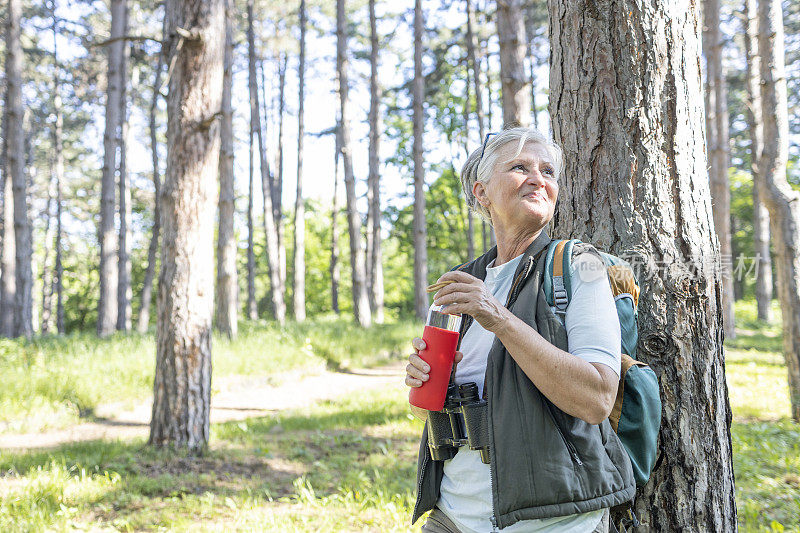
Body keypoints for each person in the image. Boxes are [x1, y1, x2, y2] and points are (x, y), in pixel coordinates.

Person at [405, 127, 635, 532]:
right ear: (482, 193)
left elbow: (597, 399)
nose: (538, 178)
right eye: (519, 167)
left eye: (548, 170)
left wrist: (498, 317)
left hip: (555, 520)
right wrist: (422, 381)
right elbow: (435, 405)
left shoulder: (579, 267)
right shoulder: (460, 281)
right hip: (454, 514)